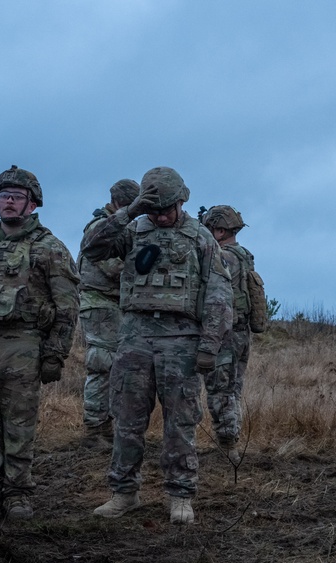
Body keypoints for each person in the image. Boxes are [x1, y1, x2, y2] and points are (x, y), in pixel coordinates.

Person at [82, 167, 232, 525]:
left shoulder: (200, 238)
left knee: (180, 422)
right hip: (135, 336)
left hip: (181, 339)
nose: (161, 216)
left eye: (167, 209)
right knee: (127, 419)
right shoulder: (133, 229)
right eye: (154, 210)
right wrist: (128, 213)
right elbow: (92, 249)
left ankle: (180, 495)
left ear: (181, 201)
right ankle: (123, 493)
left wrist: (210, 344)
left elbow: (219, 293)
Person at [0, 165, 80, 522]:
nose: (9, 202)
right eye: (4, 196)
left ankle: (18, 494)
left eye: (17, 197)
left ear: (32, 205)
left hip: (23, 342)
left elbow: (67, 306)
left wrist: (55, 353)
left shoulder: (49, 247)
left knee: (18, 421)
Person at [77, 178, 140, 448]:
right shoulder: (101, 228)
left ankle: (105, 427)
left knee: (115, 368)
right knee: (102, 364)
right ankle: (94, 429)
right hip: (99, 303)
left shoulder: (119, 225)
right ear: (118, 203)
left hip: (112, 304)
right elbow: (114, 269)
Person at [201, 205, 258, 465]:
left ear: (221, 230)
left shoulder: (224, 257)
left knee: (221, 391)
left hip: (225, 334)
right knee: (232, 390)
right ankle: (231, 441)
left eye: (210, 228)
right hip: (241, 333)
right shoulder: (244, 255)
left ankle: (228, 447)